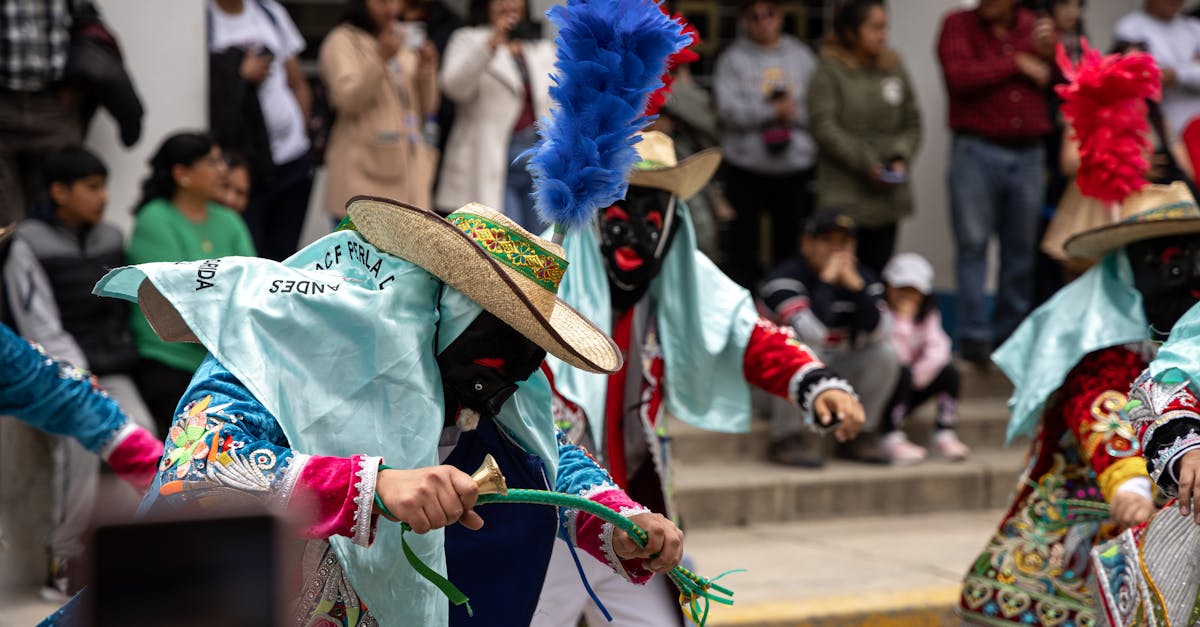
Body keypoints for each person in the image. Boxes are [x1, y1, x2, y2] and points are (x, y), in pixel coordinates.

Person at [88, 198, 684, 627]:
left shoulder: (492, 388)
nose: (516, 366)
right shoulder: (280, 348)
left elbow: (549, 457)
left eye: (531, 346)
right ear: (431, 304)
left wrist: (621, 521)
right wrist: (373, 487)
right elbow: (200, 472)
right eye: (497, 335)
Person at [534, 133, 866, 625]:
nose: (638, 239)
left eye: (654, 219)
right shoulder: (536, 278)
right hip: (549, 523)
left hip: (635, 522)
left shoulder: (681, 279)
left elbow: (745, 333)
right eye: (622, 215)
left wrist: (817, 380)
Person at [2, 147, 157, 600]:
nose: (104, 197)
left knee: (141, 430)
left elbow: (127, 309)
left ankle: (130, 552)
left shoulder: (110, 237)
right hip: (56, 372)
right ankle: (66, 557)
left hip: (112, 371)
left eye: (105, 185)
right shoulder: (26, 244)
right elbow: (38, 323)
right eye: (92, 187)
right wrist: (78, 377)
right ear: (58, 192)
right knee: (79, 441)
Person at [936, 0, 1056, 363]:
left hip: (1029, 153)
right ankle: (973, 335)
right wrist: (1017, 62)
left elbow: (1063, 84)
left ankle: (1010, 336)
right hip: (976, 150)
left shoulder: (1037, 25)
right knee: (972, 245)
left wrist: (1051, 57)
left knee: (1021, 250)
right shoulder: (957, 24)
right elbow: (960, 77)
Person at [126, 132, 256, 435]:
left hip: (226, 358)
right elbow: (175, 299)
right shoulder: (155, 219)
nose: (222, 170)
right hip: (170, 358)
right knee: (215, 431)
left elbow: (251, 288)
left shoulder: (229, 221)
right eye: (211, 162)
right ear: (182, 174)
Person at [759, 210, 898, 466]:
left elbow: (881, 332)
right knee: (800, 348)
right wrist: (826, 282)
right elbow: (814, 333)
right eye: (827, 241)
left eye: (844, 243)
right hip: (768, 389)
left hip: (832, 372)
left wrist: (858, 291)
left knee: (885, 353)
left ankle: (859, 433)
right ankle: (785, 438)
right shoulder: (783, 279)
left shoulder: (862, 278)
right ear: (806, 244)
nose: (836, 251)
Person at [807, 0, 921, 276]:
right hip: (844, 193)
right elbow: (824, 127)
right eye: (875, 28)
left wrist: (899, 156)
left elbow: (913, 122)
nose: (884, 35)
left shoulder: (893, 67)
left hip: (887, 196)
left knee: (878, 273)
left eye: (885, 27)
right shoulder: (829, 70)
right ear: (851, 32)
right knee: (841, 273)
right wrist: (867, 162)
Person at [713, 0, 818, 289]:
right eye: (754, 16)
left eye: (769, 14)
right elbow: (726, 111)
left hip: (794, 170)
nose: (763, 22)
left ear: (781, 16)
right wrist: (771, 112)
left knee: (790, 246)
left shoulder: (802, 56)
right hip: (746, 169)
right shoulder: (732, 59)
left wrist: (791, 113)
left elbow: (819, 108)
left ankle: (786, 305)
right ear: (744, 20)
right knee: (741, 247)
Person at [434, 0, 555, 229]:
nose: (508, 5)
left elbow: (557, 100)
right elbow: (453, 86)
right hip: (495, 159)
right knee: (507, 241)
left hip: (539, 157)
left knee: (541, 243)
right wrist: (489, 46)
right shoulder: (468, 39)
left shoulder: (540, 47)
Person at [207, 0, 313, 261]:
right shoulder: (206, 20)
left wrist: (303, 132)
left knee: (287, 257)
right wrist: (238, 72)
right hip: (244, 166)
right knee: (248, 255)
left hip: (291, 156)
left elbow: (297, 81)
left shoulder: (269, 12)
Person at [319, 0, 441, 222]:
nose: (390, 9)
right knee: (358, 256)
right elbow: (348, 100)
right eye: (381, 2)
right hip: (361, 180)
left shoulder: (398, 37)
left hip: (408, 179)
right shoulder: (342, 41)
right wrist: (380, 58)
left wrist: (426, 70)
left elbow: (428, 107)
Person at [880, 253, 969, 463]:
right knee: (900, 371)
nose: (908, 296)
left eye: (914, 291)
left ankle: (944, 432)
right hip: (885, 391)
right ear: (888, 287)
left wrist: (917, 375)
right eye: (902, 289)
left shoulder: (928, 314)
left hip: (912, 384)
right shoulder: (880, 312)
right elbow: (893, 355)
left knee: (950, 372)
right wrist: (902, 320)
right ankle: (889, 434)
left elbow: (940, 348)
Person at [0, 0, 82, 225]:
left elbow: (88, 21)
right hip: (4, 99)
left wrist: (80, 79)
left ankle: (50, 260)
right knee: (3, 219)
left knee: (58, 211)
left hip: (52, 101)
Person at [1114, 0, 1200, 145]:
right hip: (1168, 133)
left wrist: (1175, 74)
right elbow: (1145, 80)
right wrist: (1192, 67)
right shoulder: (1130, 28)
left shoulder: (1194, 28)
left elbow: (1161, 75)